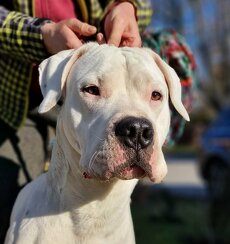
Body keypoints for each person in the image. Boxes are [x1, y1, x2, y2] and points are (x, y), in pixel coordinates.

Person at [0, 0, 195, 143]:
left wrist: (127, 7)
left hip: (99, 104)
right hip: (15, 103)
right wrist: (41, 35)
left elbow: (142, 4)